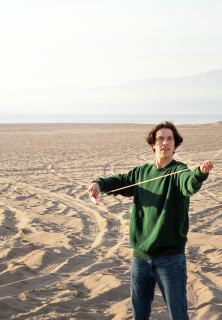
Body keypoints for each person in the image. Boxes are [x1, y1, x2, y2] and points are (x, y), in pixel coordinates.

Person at [88, 121, 213, 320]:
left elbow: (189, 183)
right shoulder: (142, 173)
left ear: (175, 144)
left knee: (178, 315)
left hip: (170, 259)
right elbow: (119, 181)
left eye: (169, 138)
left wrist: (200, 173)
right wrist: (98, 184)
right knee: (139, 315)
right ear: (153, 144)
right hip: (140, 259)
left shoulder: (179, 171)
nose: (165, 142)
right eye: (161, 139)